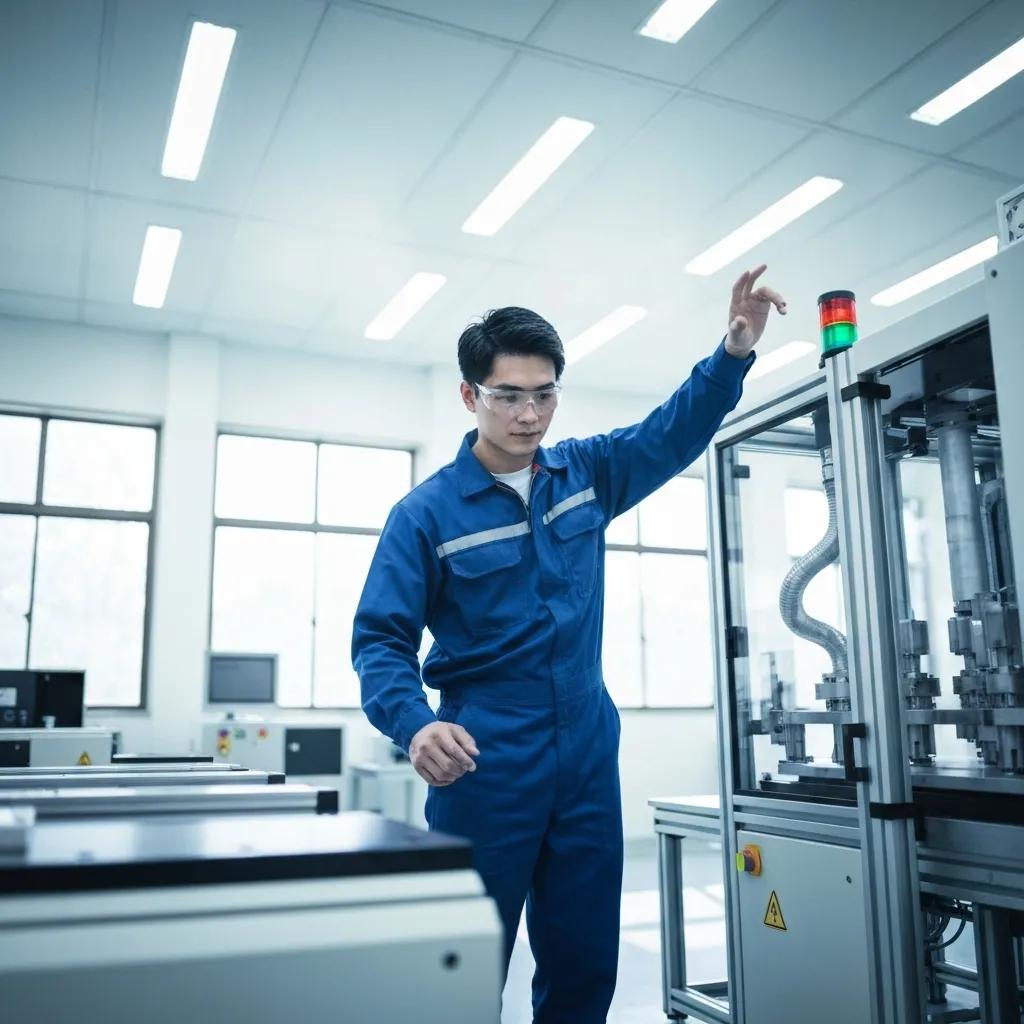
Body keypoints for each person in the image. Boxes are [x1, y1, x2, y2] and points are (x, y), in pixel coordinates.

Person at [352, 265, 786, 1022]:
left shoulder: (584, 472)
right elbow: (380, 640)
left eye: (544, 393)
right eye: (510, 395)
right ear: (470, 396)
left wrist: (732, 353)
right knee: (464, 964)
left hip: (586, 745)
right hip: (485, 756)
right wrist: (415, 723)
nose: (530, 414)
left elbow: (670, 433)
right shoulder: (424, 516)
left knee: (585, 959)